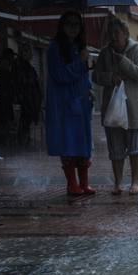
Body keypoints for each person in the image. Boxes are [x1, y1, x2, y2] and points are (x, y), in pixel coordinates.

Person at [93, 16, 138, 194]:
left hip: (135, 107)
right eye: (110, 33)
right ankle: (118, 183)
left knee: (136, 147)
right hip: (113, 108)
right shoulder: (104, 53)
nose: (113, 36)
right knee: (116, 148)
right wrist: (111, 78)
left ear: (125, 34)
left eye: (116, 33)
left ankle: (135, 182)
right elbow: (96, 76)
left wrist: (123, 61)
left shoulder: (137, 49)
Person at [45, 10, 96, 197]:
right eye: (69, 24)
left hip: (81, 103)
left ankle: (84, 182)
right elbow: (60, 75)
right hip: (65, 104)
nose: (73, 28)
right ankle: (72, 183)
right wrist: (80, 62)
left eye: (77, 24)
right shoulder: (55, 48)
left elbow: (83, 74)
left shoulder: (80, 46)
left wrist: (89, 88)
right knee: (69, 143)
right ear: (62, 26)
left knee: (83, 142)